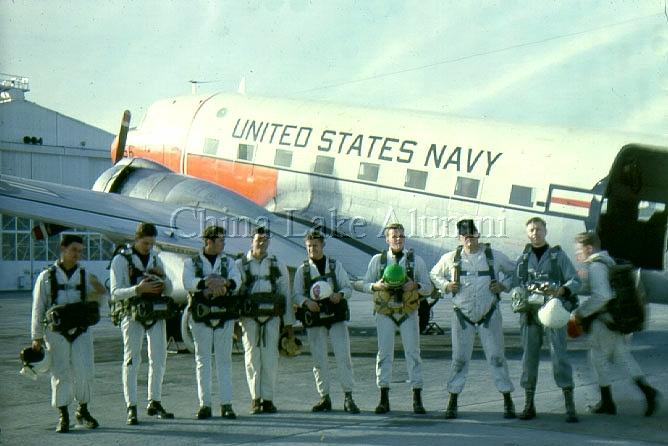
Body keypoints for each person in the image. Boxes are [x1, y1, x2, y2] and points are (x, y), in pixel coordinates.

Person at [430, 219, 516, 419]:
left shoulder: (494, 256)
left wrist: (503, 285)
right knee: (459, 359)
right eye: (465, 236)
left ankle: (507, 400)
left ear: (478, 234)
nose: (469, 240)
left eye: (472, 235)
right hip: (462, 316)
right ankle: (452, 400)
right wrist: (446, 285)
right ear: (460, 238)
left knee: (496, 357)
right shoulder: (451, 258)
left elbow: (515, 271)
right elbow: (434, 274)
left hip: (490, 314)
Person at [571, 231, 660, 416]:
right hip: (616, 320)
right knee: (623, 357)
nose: (577, 254)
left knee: (598, 360)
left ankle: (607, 402)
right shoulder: (609, 262)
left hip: (603, 322)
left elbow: (602, 295)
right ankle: (648, 392)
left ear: (589, 248)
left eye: (579, 250)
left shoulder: (596, 266)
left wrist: (580, 313)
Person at [31, 234, 106, 433]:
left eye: (80, 251)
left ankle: (83, 410)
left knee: (85, 371)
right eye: (74, 250)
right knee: (60, 372)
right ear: (63, 249)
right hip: (56, 332)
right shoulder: (46, 276)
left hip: (81, 330)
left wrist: (100, 292)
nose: (77, 255)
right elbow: (38, 307)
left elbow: (100, 298)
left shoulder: (85, 274)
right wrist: (36, 336)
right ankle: (63, 414)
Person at [514, 217, 581, 422]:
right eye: (532, 230)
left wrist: (562, 289)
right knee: (529, 358)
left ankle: (569, 405)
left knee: (559, 355)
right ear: (528, 233)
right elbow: (517, 284)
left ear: (545, 231)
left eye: (539, 229)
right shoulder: (523, 259)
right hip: (530, 314)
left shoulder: (558, 256)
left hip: (553, 312)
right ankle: (528, 404)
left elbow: (575, 280)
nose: (536, 233)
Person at [363, 222, 433, 414]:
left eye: (401, 236)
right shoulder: (378, 260)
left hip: (408, 312)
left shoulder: (415, 261)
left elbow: (429, 287)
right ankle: (383, 398)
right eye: (394, 236)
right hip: (385, 313)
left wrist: (415, 286)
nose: (398, 239)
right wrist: (376, 286)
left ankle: (417, 398)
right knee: (384, 353)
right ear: (387, 239)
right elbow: (364, 283)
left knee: (413, 353)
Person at [110, 222, 175, 425]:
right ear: (136, 239)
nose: (149, 247)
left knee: (159, 358)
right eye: (146, 243)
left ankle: (154, 401)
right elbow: (115, 292)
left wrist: (162, 278)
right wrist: (138, 289)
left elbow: (170, 289)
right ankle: (131, 406)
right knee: (131, 360)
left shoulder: (156, 258)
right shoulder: (121, 260)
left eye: (152, 243)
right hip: (132, 313)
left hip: (155, 313)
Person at [293, 230, 360, 414]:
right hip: (315, 319)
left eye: (315, 245)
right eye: (309, 246)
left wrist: (340, 295)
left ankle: (348, 396)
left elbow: (348, 287)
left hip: (335, 316)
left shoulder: (335, 265)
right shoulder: (303, 270)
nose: (312, 249)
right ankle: (325, 397)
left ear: (322, 245)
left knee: (343, 356)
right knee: (319, 359)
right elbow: (296, 294)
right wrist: (306, 302)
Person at [183, 225, 242, 420]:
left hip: (224, 315)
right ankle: (205, 404)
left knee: (224, 360)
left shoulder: (229, 262)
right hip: (201, 317)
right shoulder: (191, 262)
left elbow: (237, 280)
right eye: (220, 240)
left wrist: (224, 284)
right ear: (209, 241)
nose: (223, 244)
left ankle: (226, 404)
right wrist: (207, 283)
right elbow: (188, 282)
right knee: (203, 360)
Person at [236, 226, 295, 414]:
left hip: (272, 319)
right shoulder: (240, 264)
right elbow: (235, 295)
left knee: (270, 359)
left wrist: (288, 325)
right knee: (252, 358)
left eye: (265, 239)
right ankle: (255, 398)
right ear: (251, 241)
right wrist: (234, 324)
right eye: (258, 239)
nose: (261, 243)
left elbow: (285, 293)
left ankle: (268, 399)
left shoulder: (278, 264)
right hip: (249, 319)